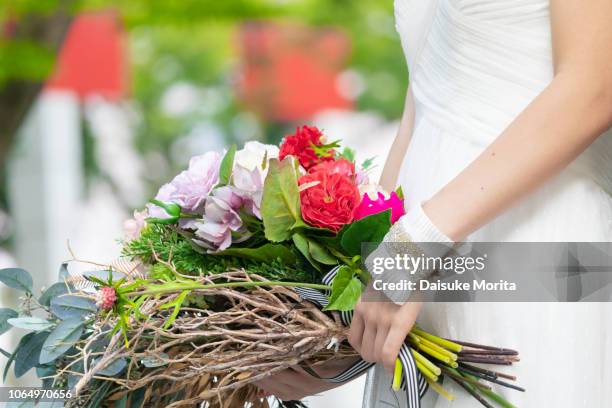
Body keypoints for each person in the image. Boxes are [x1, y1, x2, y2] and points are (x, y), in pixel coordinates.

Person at [255, 0, 612, 406]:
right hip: (422, 272)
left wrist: (417, 241)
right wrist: (353, 315)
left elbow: (593, 88)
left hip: (531, 253)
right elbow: (423, 109)